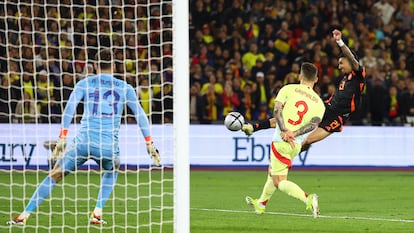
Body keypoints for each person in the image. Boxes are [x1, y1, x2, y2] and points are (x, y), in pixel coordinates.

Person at [7, 48, 161, 225]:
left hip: (83, 142)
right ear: (113, 66)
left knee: (54, 175)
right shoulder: (126, 88)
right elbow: (140, 115)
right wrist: (149, 142)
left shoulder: (84, 84)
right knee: (113, 168)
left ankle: (23, 216)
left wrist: (63, 138)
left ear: (95, 65)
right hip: (108, 147)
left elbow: (69, 109)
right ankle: (97, 213)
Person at [241, 29, 366, 151]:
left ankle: (289, 154)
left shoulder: (359, 76)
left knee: (307, 141)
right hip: (326, 107)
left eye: (341, 63)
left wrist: (340, 42)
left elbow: (351, 58)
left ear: (350, 62)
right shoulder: (345, 78)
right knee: (286, 116)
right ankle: (254, 127)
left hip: (336, 118)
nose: (339, 67)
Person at [245, 62, 325, 218]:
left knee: (279, 181)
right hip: (296, 145)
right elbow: (313, 125)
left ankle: (307, 198)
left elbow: (277, 111)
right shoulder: (319, 103)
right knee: (272, 172)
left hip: (281, 142)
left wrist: (284, 131)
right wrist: (294, 134)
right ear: (316, 79)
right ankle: (261, 204)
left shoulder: (288, 89)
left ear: (300, 75)